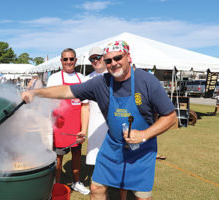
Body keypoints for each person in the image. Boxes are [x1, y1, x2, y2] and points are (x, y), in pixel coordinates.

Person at [21, 41, 176, 200]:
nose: (113, 63)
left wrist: (144, 135)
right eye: (108, 60)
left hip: (141, 150)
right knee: (96, 189)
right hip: (113, 147)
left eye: (118, 58)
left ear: (128, 57)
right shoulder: (101, 83)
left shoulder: (147, 81)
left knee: (141, 196)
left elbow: (171, 117)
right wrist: (37, 92)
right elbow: (67, 90)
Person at [46, 48, 90, 195]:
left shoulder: (82, 79)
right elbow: (48, 102)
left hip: (76, 124)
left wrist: (84, 129)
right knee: (58, 156)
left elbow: (85, 106)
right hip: (59, 125)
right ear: (61, 61)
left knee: (77, 154)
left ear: (76, 60)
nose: (69, 62)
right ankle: (56, 185)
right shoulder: (54, 78)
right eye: (66, 59)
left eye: (71, 59)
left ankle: (76, 182)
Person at [85, 47, 108, 168]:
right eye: (92, 58)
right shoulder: (87, 79)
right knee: (97, 159)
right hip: (95, 125)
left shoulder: (114, 76)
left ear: (104, 57)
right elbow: (85, 107)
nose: (95, 60)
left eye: (98, 57)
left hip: (112, 124)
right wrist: (83, 131)